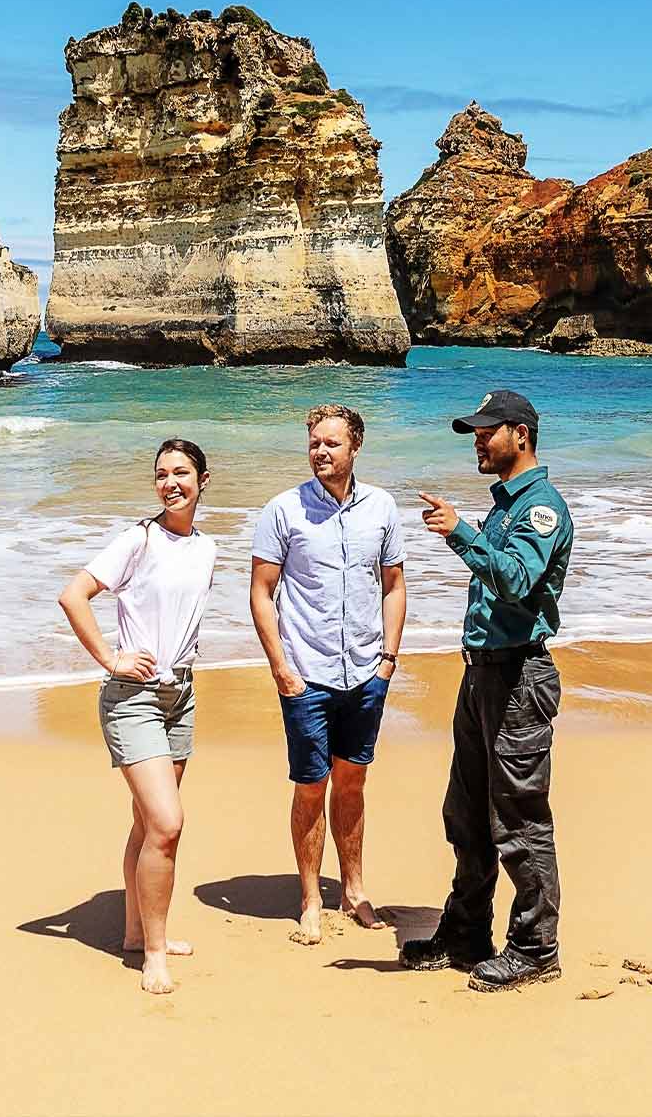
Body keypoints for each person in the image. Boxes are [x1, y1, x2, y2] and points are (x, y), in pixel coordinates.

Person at [401, 389, 574, 992]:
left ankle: (534, 947)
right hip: (482, 674)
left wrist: (460, 534)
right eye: (476, 431)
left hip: (518, 677)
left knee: (519, 819)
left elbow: (519, 580)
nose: (477, 439)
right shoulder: (505, 506)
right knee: (466, 811)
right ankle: (466, 930)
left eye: (486, 430)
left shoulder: (540, 509)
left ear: (520, 434)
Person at [57, 438, 217, 995]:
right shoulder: (138, 539)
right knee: (169, 824)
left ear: (203, 479)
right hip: (133, 698)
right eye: (161, 474)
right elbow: (73, 595)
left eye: (181, 473)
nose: (170, 483)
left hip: (181, 697)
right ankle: (153, 953)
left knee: (148, 825)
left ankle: (136, 932)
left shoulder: (205, 547)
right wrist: (111, 657)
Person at [250, 404, 408, 946]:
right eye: (314, 442)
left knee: (354, 779)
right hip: (307, 673)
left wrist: (387, 659)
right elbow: (261, 593)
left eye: (331, 443)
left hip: (366, 671)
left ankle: (355, 890)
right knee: (311, 786)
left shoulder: (382, 507)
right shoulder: (283, 510)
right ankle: (311, 897)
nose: (321, 451)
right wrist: (281, 669)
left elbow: (393, 585)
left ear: (354, 447)